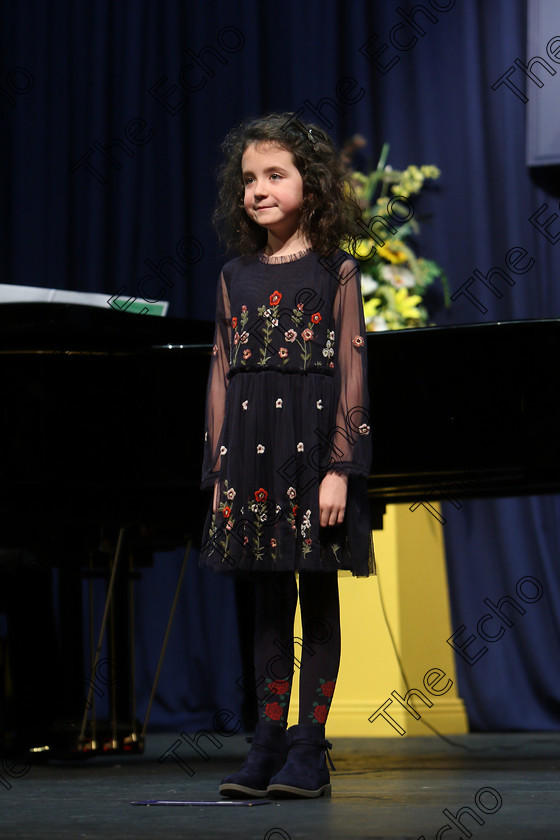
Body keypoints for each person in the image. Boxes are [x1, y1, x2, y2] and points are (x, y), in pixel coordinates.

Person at [199, 112, 374, 799]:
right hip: (250, 463)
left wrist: (340, 467)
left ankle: (311, 749)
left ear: (312, 185)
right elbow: (219, 376)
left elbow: (353, 374)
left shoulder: (336, 270)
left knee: (316, 594)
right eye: (248, 179)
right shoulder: (233, 275)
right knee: (269, 602)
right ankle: (266, 743)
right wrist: (216, 474)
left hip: (313, 460)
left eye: (275, 175)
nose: (258, 189)